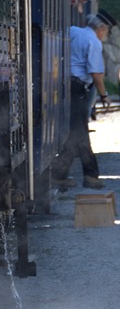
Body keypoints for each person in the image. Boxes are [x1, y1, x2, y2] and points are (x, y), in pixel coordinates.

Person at [52, 12, 114, 191]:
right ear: (102, 29)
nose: (105, 35)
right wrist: (104, 95)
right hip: (77, 89)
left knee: (75, 133)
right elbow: (96, 73)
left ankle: (60, 174)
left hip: (61, 85)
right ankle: (90, 175)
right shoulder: (93, 42)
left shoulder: (72, 31)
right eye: (106, 32)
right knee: (79, 132)